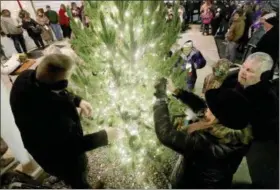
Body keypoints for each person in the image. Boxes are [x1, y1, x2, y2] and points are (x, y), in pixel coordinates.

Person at [10, 52, 121, 188]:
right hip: (58, 159)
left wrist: (77, 100)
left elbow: (53, 90)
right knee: (76, 178)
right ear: (61, 84)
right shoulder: (52, 115)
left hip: (41, 147)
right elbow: (71, 147)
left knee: (74, 172)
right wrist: (105, 136)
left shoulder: (25, 77)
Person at [153, 78, 253, 188]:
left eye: (211, 110)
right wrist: (177, 91)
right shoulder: (237, 128)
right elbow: (201, 107)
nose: (206, 110)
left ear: (219, 120)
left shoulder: (208, 146)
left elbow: (166, 134)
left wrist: (160, 99)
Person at [220, 52, 278, 188]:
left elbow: (261, 132)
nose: (243, 72)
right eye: (243, 67)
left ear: (263, 76)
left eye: (249, 70)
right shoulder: (231, 79)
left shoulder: (267, 102)